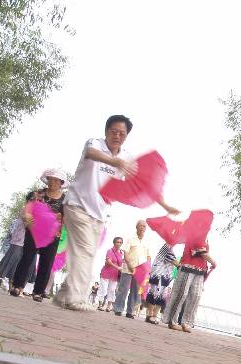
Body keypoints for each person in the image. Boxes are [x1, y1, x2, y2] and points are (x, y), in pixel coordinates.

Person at [53, 115, 178, 311]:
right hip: (77, 205)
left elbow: (144, 184)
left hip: (99, 214)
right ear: (106, 131)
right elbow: (92, 154)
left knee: (86, 253)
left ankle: (63, 294)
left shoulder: (127, 158)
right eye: (113, 131)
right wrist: (115, 162)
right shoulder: (95, 144)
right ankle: (76, 297)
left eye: (122, 133)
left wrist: (165, 205)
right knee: (84, 251)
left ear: (127, 136)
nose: (117, 136)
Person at [10, 169, 66, 302]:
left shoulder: (66, 200)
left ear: (61, 183)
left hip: (53, 235)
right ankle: (17, 286)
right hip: (34, 232)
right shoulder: (36, 194)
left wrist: (62, 219)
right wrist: (26, 216)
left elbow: (69, 218)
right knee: (27, 257)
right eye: (50, 179)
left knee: (46, 263)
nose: (52, 182)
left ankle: (38, 292)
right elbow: (26, 210)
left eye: (56, 180)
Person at [163, 240, 216, 332]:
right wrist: (213, 261)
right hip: (187, 268)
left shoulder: (206, 236)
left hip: (200, 270)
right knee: (181, 294)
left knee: (196, 296)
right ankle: (172, 321)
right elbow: (201, 251)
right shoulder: (195, 234)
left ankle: (187, 322)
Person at [114, 220, 151, 318]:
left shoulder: (147, 242)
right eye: (140, 226)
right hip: (128, 267)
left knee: (135, 291)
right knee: (123, 289)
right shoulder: (130, 238)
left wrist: (147, 269)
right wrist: (129, 264)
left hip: (140, 270)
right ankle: (118, 309)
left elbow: (148, 256)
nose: (142, 228)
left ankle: (130, 312)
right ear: (137, 227)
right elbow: (125, 252)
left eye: (144, 226)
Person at [144, 243, 178, 325]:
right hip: (159, 276)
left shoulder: (168, 248)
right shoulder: (167, 248)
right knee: (154, 295)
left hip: (163, 277)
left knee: (161, 297)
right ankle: (150, 315)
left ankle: (153, 315)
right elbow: (176, 263)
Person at [0, 218, 25, 291]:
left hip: (17, 247)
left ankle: (6, 282)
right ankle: (3, 280)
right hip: (9, 247)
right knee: (5, 264)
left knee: (11, 265)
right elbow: (11, 233)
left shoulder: (27, 224)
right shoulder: (16, 221)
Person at [96, 237, 124, 312]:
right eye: (117, 242)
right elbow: (108, 261)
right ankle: (100, 305)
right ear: (114, 243)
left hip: (114, 275)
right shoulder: (110, 251)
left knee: (112, 290)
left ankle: (109, 306)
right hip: (106, 273)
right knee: (103, 289)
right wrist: (117, 267)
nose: (119, 243)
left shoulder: (121, 253)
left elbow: (122, 263)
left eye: (120, 242)